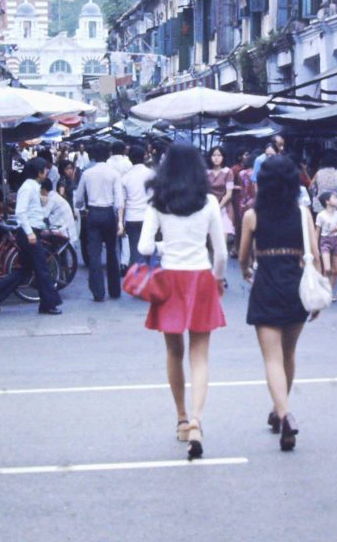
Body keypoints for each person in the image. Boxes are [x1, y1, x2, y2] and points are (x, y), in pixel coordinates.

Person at [138, 144, 227, 460]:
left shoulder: (158, 203)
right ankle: (197, 423)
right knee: (200, 355)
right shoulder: (210, 202)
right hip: (201, 277)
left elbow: (145, 247)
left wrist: (166, 247)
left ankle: (180, 418)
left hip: (170, 279)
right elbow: (222, 253)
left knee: (173, 353)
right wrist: (218, 279)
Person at [238, 155, 319, 451]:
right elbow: (316, 256)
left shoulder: (252, 215)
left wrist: (246, 271)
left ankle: (284, 413)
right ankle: (279, 410)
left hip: (267, 286)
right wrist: (318, 295)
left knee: (271, 358)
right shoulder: (302, 214)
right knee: (289, 353)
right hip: (296, 286)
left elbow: (244, 256)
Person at [0, 158, 63, 314]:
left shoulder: (33, 187)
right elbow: (20, 212)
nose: (47, 171)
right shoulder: (27, 188)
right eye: (44, 169)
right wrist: (30, 233)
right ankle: (48, 304)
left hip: (31, 232)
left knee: (25, 270)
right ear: (38, 172)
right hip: (29, 233)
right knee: (42, 269)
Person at [74, 143, 125, 301]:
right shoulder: (113, 173)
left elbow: (79, 198)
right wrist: (120, 222)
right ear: (108, 154)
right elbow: (119, 200)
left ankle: (98, 292)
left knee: (94, 254)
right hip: (109, 213)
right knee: (112, 252)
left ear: (92, 156)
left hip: (93, 213)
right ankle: (115, 290)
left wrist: (80, 206)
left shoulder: (87, 173)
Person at [121, 145, 155, 265]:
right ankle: (148, 279)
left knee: (134, 251)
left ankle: (136, 279)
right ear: (144, 157)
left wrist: (121, 223)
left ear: (130, 159)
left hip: (131, 218)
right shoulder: (151, 174)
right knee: (149, 250)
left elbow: (123, 203)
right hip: (149, 217)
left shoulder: (125, 178)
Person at [315, 191, 337, 298]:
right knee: (327, 268)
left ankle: (330, 292)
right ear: (327, 201)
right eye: (334, 198)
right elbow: (317, 232)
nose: (336, 199)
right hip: (325, 241)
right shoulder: (321, 215)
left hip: (336, 241)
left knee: (335, 270)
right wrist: (315, 247)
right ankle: (322, 290)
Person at [207, 146, 236, 244]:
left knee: (222, 243)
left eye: (219, 155)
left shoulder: (228, 172)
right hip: (209, 208)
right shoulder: (206, 172)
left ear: (223, 157)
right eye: (214, 155)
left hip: (224, 208)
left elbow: (229, 194)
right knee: (212, 244)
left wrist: (218, 207)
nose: (216, 158)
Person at [41, 179, 78, 248]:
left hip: (64, 230)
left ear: (43, 189)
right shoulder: (54, 195)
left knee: (41, 233)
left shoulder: (51, 198)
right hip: (65, 227)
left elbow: (43, 215)